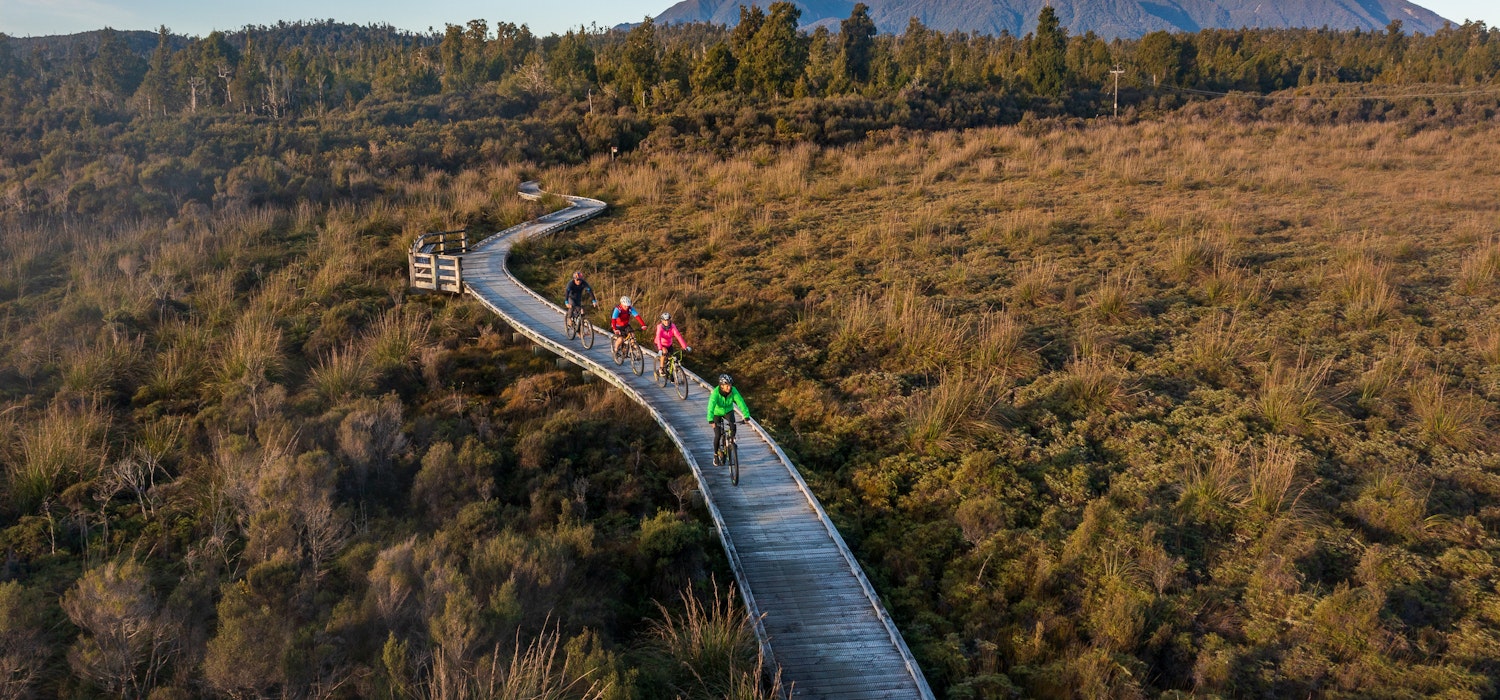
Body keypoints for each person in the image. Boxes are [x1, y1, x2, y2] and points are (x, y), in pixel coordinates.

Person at [706, 374, 751, 466]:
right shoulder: (715, 393)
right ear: (721, 386)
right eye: (727, 385)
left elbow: (740, 402)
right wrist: (710, 420)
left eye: (730, 385)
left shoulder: (733, 391)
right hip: (717, 413)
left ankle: (731, 443)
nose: (729, 387)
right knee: (718, 434)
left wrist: (746, 415)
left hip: (728, 411)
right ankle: (715, 455)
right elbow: (711, 406)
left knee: (733, 426)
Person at [653, 312, 691, 379]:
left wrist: (685, 346)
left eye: (668, 320)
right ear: (662, 321)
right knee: (664, 352)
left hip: (669, 344)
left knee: (673, 358)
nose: (666, 322)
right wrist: (660, 349)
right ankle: (661, 369)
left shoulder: (673, 326)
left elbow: (678, 336)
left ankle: (670, 372)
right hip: (659, 344)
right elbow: (658, 338)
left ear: (670, 320)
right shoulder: (660, 327)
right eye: (665, 320)